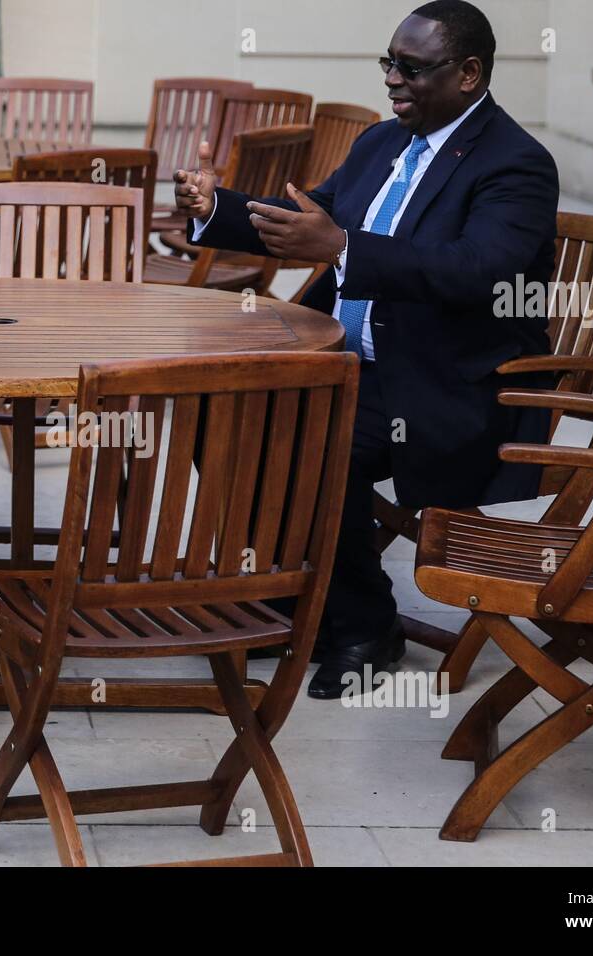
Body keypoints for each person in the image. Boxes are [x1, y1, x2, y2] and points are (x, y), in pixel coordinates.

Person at [175, 0, 558, 699]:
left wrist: (346, 248)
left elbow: (478, 270)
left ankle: (363, 622)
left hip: (447, 384)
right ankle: (295, 595)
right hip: (351, 364)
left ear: (469, 73)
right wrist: (216, 208)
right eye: (389, 62)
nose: (393, 80)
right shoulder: (381, 143)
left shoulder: (516, 166)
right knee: (209, 404)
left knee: (316, 439)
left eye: (412, 68)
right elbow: (307, 220)